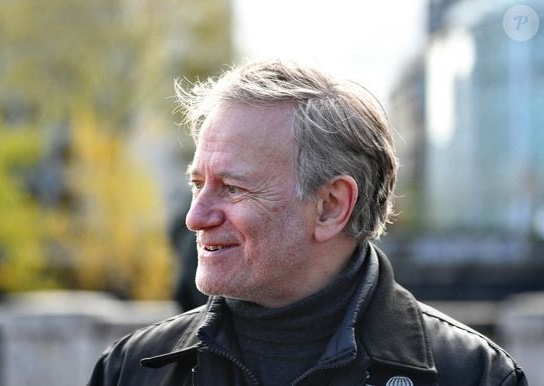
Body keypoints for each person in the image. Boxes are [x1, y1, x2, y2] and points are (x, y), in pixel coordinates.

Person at [88, 60, 527, 386]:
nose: (195, 216)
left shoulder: (473, 376)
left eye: (234, 188)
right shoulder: (131, 370)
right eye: (197, 184)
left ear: (331, 207)